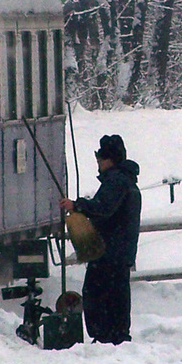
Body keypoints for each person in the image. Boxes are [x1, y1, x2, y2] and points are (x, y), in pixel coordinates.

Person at [60, 133, 141, 344]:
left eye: (99, 160)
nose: (98, 165)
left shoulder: (116, 182)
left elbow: (103, 208)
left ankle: (107, 336)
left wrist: (77, 205)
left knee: (97, 295)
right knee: (116, 296)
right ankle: (116, 335)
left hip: (109, 252)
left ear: (109, 160)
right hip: (119, 252)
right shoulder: (126, 181)